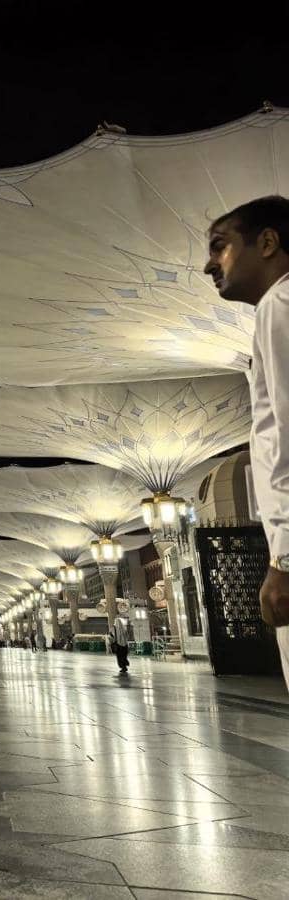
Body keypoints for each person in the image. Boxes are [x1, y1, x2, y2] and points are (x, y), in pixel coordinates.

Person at [206, 197, 289, 691]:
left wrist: (285, 561)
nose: (209, 265)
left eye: (221, 246)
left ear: (268, 242)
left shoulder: (280, 303)